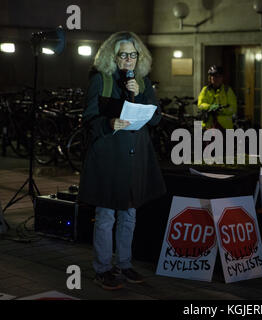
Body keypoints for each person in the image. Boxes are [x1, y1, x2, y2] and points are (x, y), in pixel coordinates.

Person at [78, 31, 166, 290]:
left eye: (133, 54)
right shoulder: (101, 80)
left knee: (129, 214)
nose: (128, 59)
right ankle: (103, 268)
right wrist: (109, 123)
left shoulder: (143, 81)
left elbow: (156, 117)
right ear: (112, 57)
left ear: (140, 57)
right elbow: (88, 119)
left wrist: (140, 94)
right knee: (106, 215)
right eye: (123, 54)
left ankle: (124, 264)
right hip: (109, 158)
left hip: (135, 157)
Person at [197, 65, 237, 132]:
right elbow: (200, 104)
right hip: (209, 126)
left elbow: (233, 108)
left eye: (219, 76)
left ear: (222, 78)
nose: (217, 79)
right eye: (214, 76)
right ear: (210, 78)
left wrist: (221, 110)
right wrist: (211, 107)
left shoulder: (227, 90)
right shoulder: (205, 90)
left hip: (225, 127)